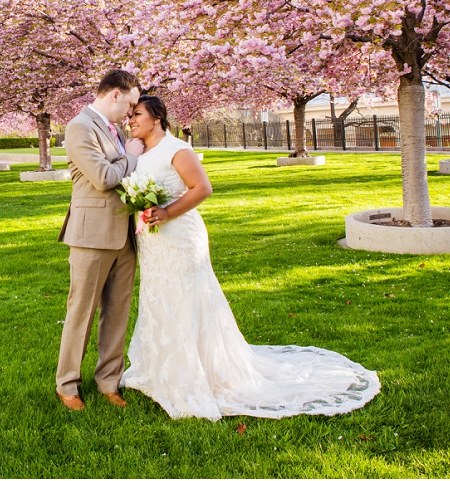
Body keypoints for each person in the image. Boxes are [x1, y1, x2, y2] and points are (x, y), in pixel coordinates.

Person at [120, 94, 381, 420]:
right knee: (159, 298)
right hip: (153, 243)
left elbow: (202, 188)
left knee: (184, 300)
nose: (131, 120)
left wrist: (167, 212)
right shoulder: (139, 152)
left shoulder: (177, 149)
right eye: (130, 115)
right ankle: (159, 370)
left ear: (156, 117)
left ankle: (195, 376)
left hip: (181, 239)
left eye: (137, 114)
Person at [55, 69, 143, 412]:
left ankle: (109, 380)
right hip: (91, 236)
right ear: (115, 95)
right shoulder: (79, 127)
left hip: (124, 234)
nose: (131, 114)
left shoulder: (117, 131)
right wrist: (132, 155)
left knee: (117, 314)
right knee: (82, 313)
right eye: (131, 105)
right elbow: (105, 177)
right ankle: (67, 385)